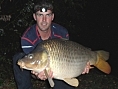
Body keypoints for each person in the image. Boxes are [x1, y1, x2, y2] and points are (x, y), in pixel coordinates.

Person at [13, 0, 91, 89]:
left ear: (52, 17)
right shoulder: (27, 37)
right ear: (35, 17)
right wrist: (37, 75)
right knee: (18, 58)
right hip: (38, 66)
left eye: (48, 15)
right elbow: (32, 63)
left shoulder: (62, 32)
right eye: (40, 15)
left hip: (61, 67)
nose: (44, 20)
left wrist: (82, 66)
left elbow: (70, 55)